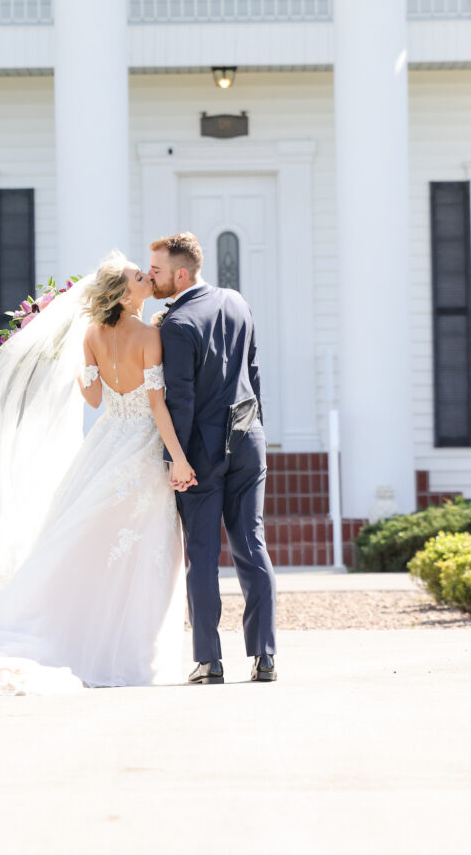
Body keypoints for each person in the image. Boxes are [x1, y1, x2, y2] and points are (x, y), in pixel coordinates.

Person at [0, 253, 193, 696]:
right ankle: (129, 654)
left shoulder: (93, 335)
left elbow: (94, 397)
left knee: (90, 538)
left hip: (105, 442)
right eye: (140, 275)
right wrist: (178, 457)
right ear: (123, 292)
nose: (146, 278)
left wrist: (77, 369)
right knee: (147, 546)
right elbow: (157, 406)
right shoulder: (150, 335)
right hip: (139, 445)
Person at [148, 232, 277, 684]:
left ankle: (209, 662)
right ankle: (265, 657)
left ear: (181, 273)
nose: (152, 278)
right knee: (252, 544)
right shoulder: (238, 302)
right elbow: (254, 373)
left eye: (158, 271)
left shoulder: (177, 325)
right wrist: (258, 431)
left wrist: (174, 459)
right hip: (249, 439)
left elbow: (179, 401)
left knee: (202, 556)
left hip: (200, 453)